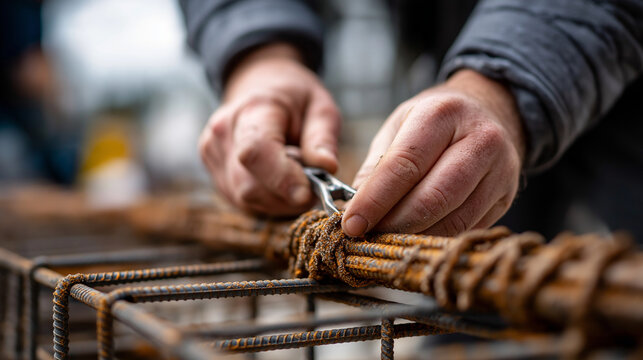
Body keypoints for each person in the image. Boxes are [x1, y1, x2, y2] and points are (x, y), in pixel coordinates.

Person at [179, 0, 643, 240]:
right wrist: (259, 56)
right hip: (460, 76)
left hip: (625, 87)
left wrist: (504, 79)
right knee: (466, 303)